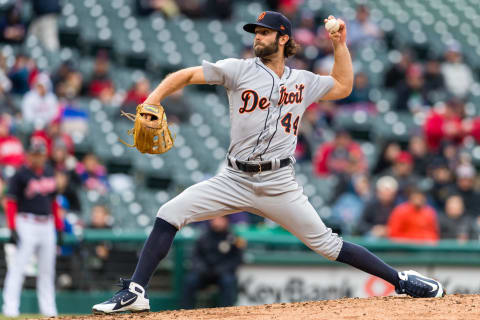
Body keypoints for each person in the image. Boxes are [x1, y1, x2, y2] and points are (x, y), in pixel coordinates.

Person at [92, 12, 444, 314]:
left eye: (263, 33)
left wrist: (339, 44)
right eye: (255, 33)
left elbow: (343, 85)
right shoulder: (238, 70)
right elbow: (183, 75)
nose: (257, 38)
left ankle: (401, 280)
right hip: (233, 177)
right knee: (170, 212)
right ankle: (136, 291)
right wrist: (153, 99)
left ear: (283, 38)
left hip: (279, 182)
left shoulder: (303, 82)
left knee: (327, 244)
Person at [2, 140, 63, 317]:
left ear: (44, 154)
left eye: (40, 153)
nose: (37, 157)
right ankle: (10, 308)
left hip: (47, 224)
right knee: (18, 268)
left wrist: (58, 227)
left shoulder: (49, 171)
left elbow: (53, 202)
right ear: (29, 154)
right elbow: (11, 202)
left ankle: (49, 310)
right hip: (26, 222)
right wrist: (12, 227)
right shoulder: (20, 174)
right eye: (34, 153)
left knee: (47, 270)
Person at [182, 216, 244, 309]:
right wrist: (202, 268)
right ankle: (185, 312)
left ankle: (227, 313)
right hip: (204, 273)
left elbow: (237, 259)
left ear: (226, 221)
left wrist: (222, 269)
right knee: (190, 280)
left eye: (221, 219)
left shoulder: (232, 237)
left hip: (223, 273)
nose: (217, 222)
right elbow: (195, 256)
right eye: (215, 219)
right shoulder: (204, 236)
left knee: (228, 281)